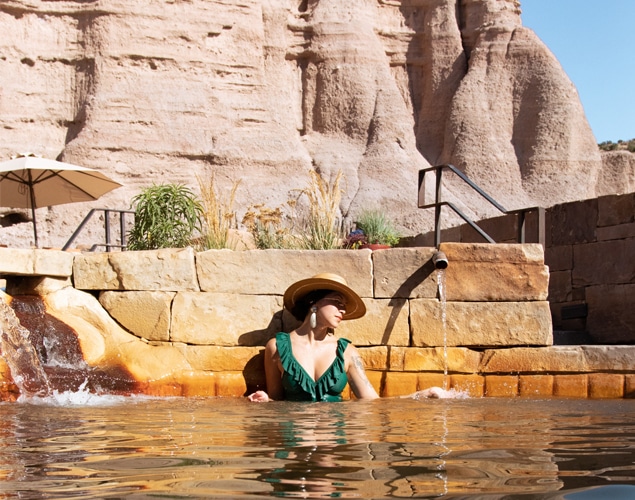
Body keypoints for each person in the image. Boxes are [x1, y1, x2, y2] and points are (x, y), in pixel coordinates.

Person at [247, 272, 452, 402]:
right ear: (314, 304)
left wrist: (423, 394)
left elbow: (372, 402)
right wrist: (265, 400)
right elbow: (276, 400)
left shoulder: (346, 352)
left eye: (344, 305)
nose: (343, 310)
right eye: (337, 302)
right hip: (294, 443)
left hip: (333, 446)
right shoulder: (276, 347)